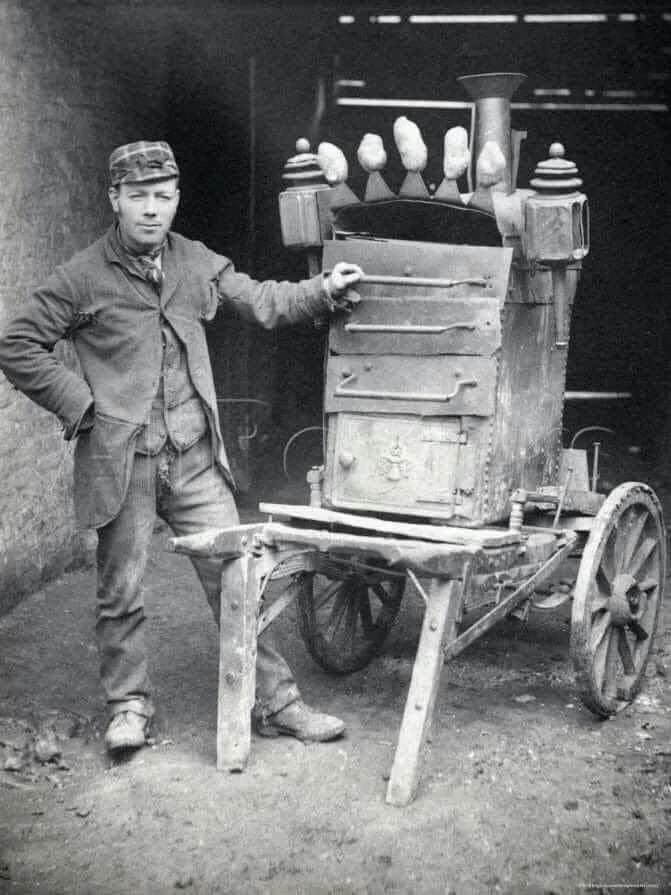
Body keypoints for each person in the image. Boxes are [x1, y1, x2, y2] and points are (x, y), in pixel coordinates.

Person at [0, 140, 363, 753]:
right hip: (123, 462)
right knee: (121, 591)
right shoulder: (82, 276)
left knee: (236, 580)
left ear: (176, 199)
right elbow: (16, 344)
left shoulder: (195, 262)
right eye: (138, 196)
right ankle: (128, 707)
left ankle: (277, 703)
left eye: (162, 197)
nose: (151, 210)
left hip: (193, 458)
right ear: (114, 199)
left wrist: (323, 289)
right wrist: (80, 404)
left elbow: (261, 300)